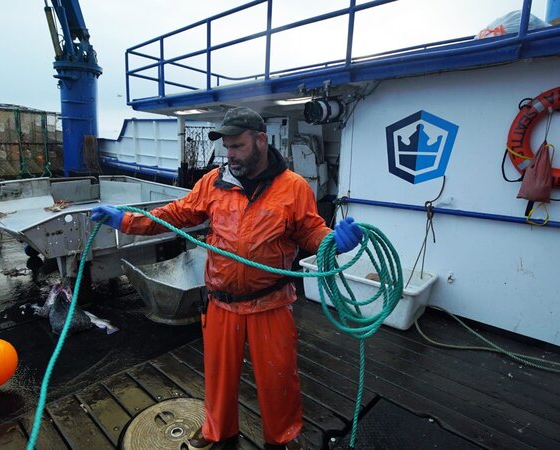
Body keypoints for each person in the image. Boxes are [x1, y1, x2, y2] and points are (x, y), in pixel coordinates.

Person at [90, 107, 363, 450]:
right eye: (226, 147)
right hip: (221, 302)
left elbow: (310, 230)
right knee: (218, 378)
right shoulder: (212, 183)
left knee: (279, 378)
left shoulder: (293, 187)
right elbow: (175, 215)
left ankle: (282, 439)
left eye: (237, 146)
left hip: (272, 303)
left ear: (261, 141)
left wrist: (333, 243)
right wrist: (126, 219)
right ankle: (219, 433)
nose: (229, 154)